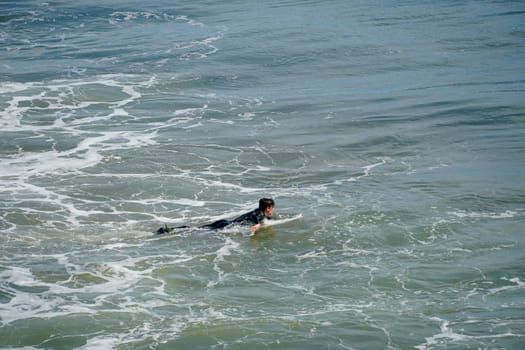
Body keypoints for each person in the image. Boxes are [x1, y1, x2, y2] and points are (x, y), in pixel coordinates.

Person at [156, 198, 276, 234]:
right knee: (197, 231)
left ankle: (171, 229)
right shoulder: (259, 213)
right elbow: (256, 216)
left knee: (199, 228)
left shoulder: (260, 212)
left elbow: (261, 216)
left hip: (226, 222)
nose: (273, 210)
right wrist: (256, 224)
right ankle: (170, 230)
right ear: (268, 208)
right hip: (228, 225)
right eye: (272, 208)